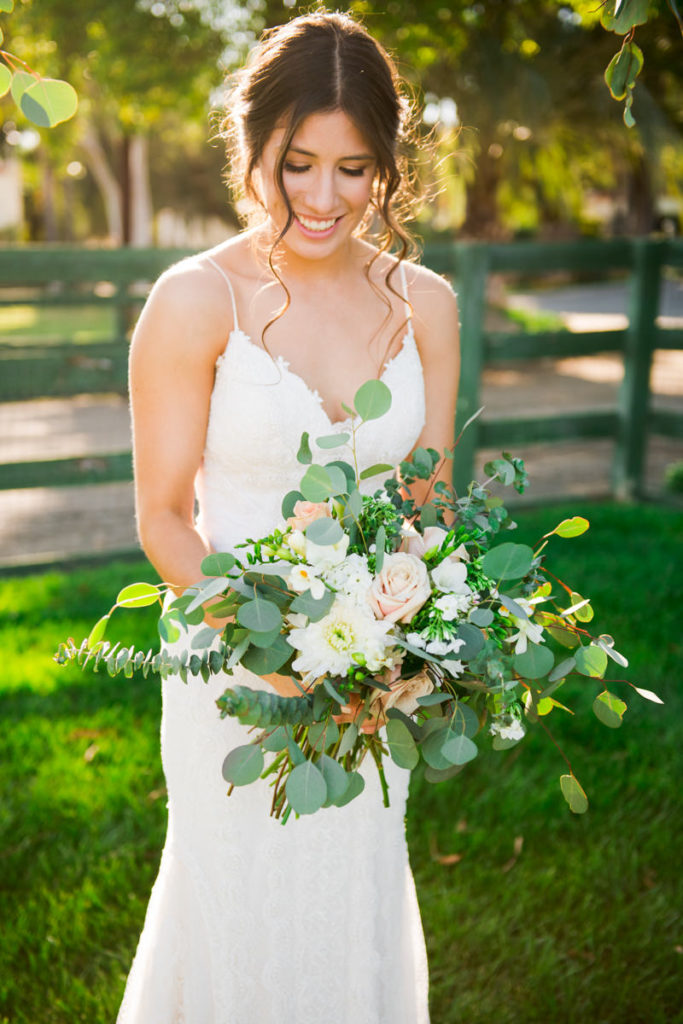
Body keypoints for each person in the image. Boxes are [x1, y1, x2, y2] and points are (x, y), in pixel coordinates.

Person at [118, 10, 460, 1023]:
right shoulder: (194, 300)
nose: (322, 197)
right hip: (233, 664)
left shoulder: (425, 301)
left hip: (373, 676)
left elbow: (429, 499)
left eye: (353, 169)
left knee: (349, 896)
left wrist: (415, 634)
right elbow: (163, 517)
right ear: (251, 143)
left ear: (387, 168)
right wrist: (268, 644)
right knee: (240, 909)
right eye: (296, 162)